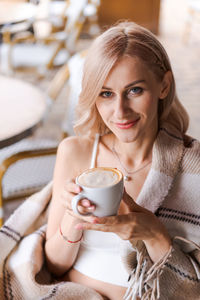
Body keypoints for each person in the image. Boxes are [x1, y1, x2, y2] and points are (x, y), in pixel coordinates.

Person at [44, 21, 200, 300]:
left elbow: (193, 288)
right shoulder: (75, 153)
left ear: (163, 86)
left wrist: (154, 234)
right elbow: (54, 265)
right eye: (106, 94)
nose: (120, 111)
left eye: (135, 90)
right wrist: (72, 216)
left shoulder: (193, 166)